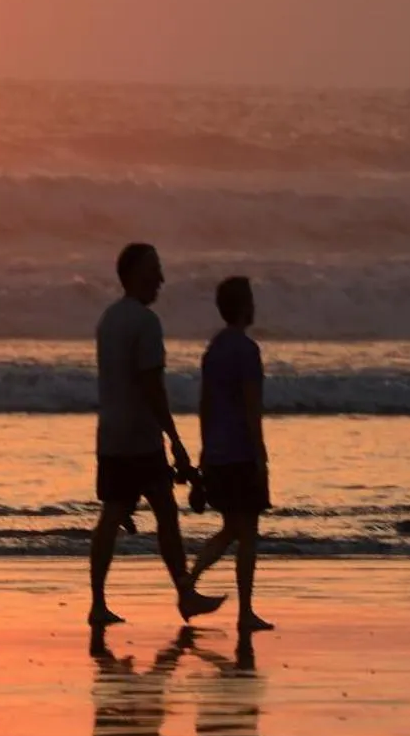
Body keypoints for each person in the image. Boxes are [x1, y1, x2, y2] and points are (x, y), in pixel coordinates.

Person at [87, 241, 226, 627]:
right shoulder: (146, 324)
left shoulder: (108, 319)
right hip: (140, 437)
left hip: (111, 432)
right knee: (165, 512)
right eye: (154, 270)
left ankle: (98, 602)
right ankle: (184, 594)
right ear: (133, 275)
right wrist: (175, 441)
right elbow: (152, 386)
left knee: (113, 513)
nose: (161, 279)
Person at [189, 275, 274, 633]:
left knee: (232, 529)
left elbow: (205, 406)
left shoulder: (214, 350)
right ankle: (245, 612)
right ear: (243, 306)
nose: (254, 305)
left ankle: (189, 579)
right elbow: (251, 406)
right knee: (246, 532)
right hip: (240, 452)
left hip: (218, 453)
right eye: (251, 299)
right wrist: (261, 455)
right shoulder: (246, 350)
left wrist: (204, 455)